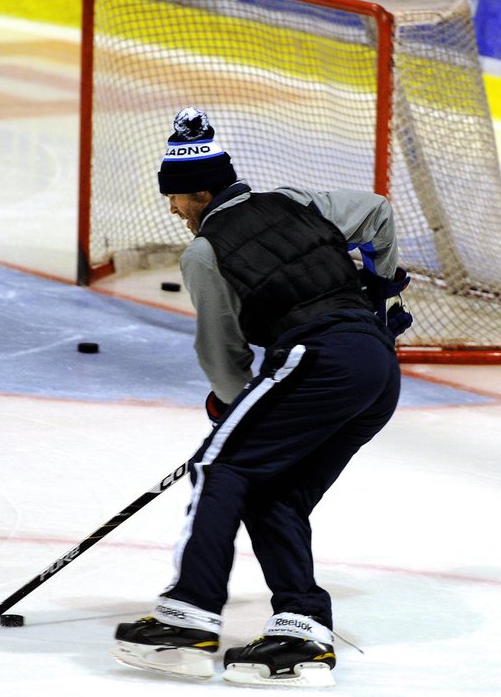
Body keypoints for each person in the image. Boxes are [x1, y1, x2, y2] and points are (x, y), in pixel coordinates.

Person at [111, 107, 411, 687]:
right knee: (273, 488)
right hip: (376, 369)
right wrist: (378, 305)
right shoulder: (295, 200)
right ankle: (301, 632)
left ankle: (190, 617)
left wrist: (230, 406)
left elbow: (221, 354)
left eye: (176, 197)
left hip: (315, 359)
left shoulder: (203, 254)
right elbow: (377, 211)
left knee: (221, 464)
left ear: (201, 191)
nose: (172, 209)